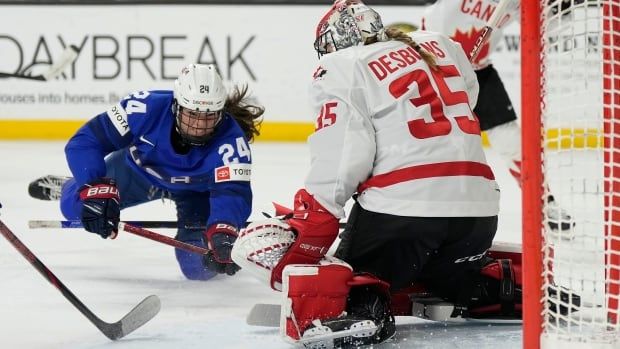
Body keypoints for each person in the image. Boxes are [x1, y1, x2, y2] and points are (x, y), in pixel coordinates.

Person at [231, 1, 523, 348]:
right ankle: (483, 285)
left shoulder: (342, 66)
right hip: (477, 219)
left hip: (403, 220)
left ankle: (367, 305)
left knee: (351, 269)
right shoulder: (443, 45)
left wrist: (315, 213)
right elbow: (469, 96)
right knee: (442, 272)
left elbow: (343, 155)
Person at [28, 63, 264, 280]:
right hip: (137, 174)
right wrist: (93, 184)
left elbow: (232, 193)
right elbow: (85, 142)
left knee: (198, 269)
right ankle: (73, 185)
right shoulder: (143, 108)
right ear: (176, 106)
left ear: (221, 113)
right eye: (192, 114)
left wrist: (223, 230)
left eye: (208, 117)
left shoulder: (232, 142)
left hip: (195, 194)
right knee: (73, 208)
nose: (199, 126)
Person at [421, 0, 574, 234]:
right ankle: (417, 207)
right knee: (433, 144)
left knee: (512, 142)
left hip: (479, 71)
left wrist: (559, 8)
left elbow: (552, 29)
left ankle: (543, 202)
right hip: (435, 68)